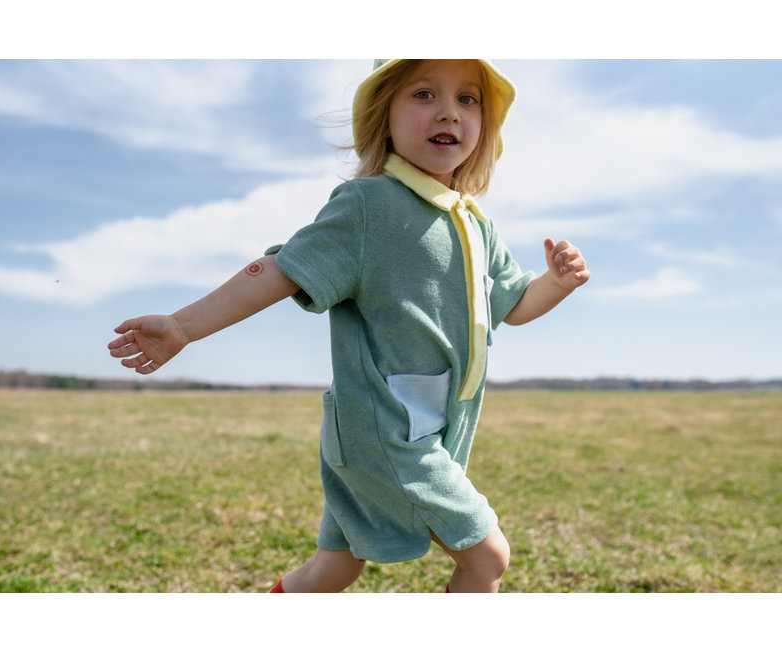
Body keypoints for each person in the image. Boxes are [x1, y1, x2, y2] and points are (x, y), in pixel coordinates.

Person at [107, 60, 590, 593]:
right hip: (384, 431)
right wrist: (182, 325)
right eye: (424, 94)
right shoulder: (369, 205)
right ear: (384, 118)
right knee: (487, 558)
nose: (449, 111)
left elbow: (513, 302)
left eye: (468, 99)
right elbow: (281, 268)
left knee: (335, 566)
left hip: (428, 426)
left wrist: (555, 283)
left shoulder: (475, 221)